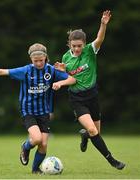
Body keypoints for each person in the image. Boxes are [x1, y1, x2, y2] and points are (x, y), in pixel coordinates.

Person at [0, 43, 76, 174]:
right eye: (35, 61)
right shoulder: (25, 71)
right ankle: (25, 147)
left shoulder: (51, 70)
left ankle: (35, 170)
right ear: (31, 59)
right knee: (36, 139)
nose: (38, 63)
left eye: (41, 60)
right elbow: (2, 71)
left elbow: (72, 79)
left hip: (44, 112)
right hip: (28, 111)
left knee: (44, 144)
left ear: (46, 57)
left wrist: (61, 80)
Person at [54, 10, 125, 170]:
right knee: (93, 129)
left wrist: (103, 24)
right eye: (74, 46)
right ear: (69, 45)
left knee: (95, 132)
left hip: (92, 96)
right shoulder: (65, 57)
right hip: (77, 99)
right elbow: (69, 76)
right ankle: (112, 160)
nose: (77, 49)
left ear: (84, 44)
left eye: (80, 46)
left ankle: (84, 135)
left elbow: (100, 38)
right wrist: (61, 71)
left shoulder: (90, 50)